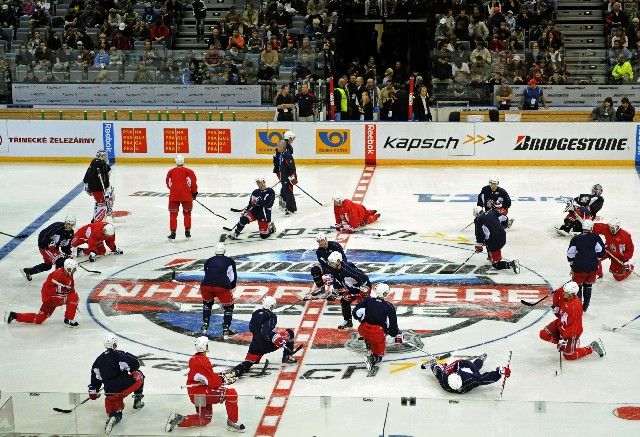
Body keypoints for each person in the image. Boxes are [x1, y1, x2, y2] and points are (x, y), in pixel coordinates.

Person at [165, 337, 244, 432]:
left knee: (205, 419)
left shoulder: (194, 359)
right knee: (231, 393)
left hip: (195, 394)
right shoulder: (202, 361)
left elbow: (205, 377)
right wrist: (223, 379)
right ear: (205, 346)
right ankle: (232, 421)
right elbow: (213, 383)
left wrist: (220, 377)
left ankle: (181, 420)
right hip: (201, 393)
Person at [88, 334, 145, 434]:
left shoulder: (98, 360)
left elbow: (94, 381)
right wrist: (129, 365)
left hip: (110, 393)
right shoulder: (119, 355)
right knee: (139, 375)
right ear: (115, 344)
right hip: (124, 387)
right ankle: (137, 400)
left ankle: (113, 416)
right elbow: (135, 364)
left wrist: (94, 393)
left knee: (116, 411)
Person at [228, 296, 297, 378]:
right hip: (266, 345)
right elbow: (265, 333)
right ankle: (287, 356)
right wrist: (276, 337)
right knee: (290, 333)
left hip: (255, 345)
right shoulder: (271, 316)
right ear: (271, 306)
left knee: (248, 362)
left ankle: (236, 371)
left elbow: (252, 328)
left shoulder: (256, 313)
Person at [539, 282, 605, 360]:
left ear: (571, 294)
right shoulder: (566, 295)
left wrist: (564, 340)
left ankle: (591, 347)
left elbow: (573, 327)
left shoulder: (574, 308)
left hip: (571, 332)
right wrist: (556, 296)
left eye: (565, 292)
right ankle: (567, 345)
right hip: (560, 324)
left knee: (568, 356)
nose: (563, 293)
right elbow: (558, 295)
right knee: (543, 334)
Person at [6, 258, 80, 327]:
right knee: (74, 297)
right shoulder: (58, 275)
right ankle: (68, 320)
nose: (73, 271)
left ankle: (14, 315)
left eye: (74, 270)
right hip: (50, 297)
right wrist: (72, 300)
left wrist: (72, 304)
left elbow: (71, 287)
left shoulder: (68, 274)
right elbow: (52, 290)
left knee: (39, 319)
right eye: (72, 269)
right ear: (67, 268)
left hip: (53, 298)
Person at [353, 283, 402, 374]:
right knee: (379, 353)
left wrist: (362, 320)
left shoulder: (367, 300)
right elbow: (392, 326)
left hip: (362, 329)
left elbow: (355, 313)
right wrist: (395, 333)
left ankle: (367, 340)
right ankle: (373, 358)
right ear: (385, 293)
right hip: (376, 333)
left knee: (368, 333)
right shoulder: (389, 306)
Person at [325, 251, 371, 329]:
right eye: (330, 263)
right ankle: (348, 321)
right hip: (351, 289)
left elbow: (364, 277)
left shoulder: (348, 269)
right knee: (344, 301)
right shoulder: (334, 269)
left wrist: (362, 290)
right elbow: (335, 280)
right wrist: (336, 290)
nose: (330, 265)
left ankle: (367, 326)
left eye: (332, 262)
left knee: (362, 308)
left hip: (362, 289)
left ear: (338, 261)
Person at [423, 353, 511, 394]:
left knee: (476, 370)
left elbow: (484, 379)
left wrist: (499, 372)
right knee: (437, 371)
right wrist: (433, 364)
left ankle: (480, 359)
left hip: (463, 364)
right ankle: (432, 364)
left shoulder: (468, 376)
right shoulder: (444, 379)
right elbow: (437, 370)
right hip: (453, 368)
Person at [21, 215, 75, 281]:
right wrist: (49, 243)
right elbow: (43, 234)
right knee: (59, 259)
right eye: (68, 224)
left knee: (48, 265)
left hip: (54, 248)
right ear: (65, 223)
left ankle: (29, 271)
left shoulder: (71, 233)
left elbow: (65, 246)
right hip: (44, 246)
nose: (70, 226)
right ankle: (58, 279)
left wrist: (68, 253)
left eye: (72, 225)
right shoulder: (57, 227)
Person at [567, 219, 605, 312]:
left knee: (578, 286)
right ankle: (585, 306)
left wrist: (572, 264)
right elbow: (601, 251)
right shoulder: (596, 237)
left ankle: (578, 307)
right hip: (592, 267)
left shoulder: (576, 238)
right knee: (588, 286)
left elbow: (570, 253)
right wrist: (596, 258)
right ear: (591, 227)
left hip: (579, 267)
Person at [200, 243, 238, 336]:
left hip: (206, 286)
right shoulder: (230, 261)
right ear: (224, 251)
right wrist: (231, 287)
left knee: (207, 304)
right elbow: (233, 277)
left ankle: (205, 324)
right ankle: (226, 328)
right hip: (222, 287)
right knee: (229, 307)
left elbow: (207, 274)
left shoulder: (208, 261)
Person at [473, 207, 520, 273]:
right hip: (503, 236)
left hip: (495, 241)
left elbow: (479, 235)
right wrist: (503, 226)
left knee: (496, 265)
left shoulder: (478, 220)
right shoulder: (493, 213)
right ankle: (491, 256)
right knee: (487, 241)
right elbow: (505, 218)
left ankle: (512, 264)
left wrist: (478, 246)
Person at [166, 155, 198, 240]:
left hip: (174, 196)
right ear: (183, 161)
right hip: (187, 196)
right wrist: (194, 193)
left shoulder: (171, 172)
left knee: (173, 215)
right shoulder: (189, 171)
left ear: (175, 161)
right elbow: (193, 184)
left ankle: (173, 233)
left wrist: (175, 190)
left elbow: (168, 184)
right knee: (187, 214)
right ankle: (187, 232)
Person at [84, 149, 113, 222]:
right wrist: (106, 191)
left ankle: (96, 219)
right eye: (105, 156)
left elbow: (87, 175)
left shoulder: (94, 162)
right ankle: (97, 222)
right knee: (102, 204)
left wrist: (87, 186)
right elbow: (102, 179)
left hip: (96, 188)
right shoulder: (102, 165)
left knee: (103, 202)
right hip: (98, 189)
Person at [276, 140, 297, 215]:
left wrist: (293, 178)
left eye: (278, 146)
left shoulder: (287, 155)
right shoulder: (282, 154)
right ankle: (292, 207)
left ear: (283, 147)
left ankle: (290, 209)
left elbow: (292, 168)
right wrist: (282, 177)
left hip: (288, 178)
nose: (277, 147)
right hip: (284, 178)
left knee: (288, 193)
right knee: (286, 192)